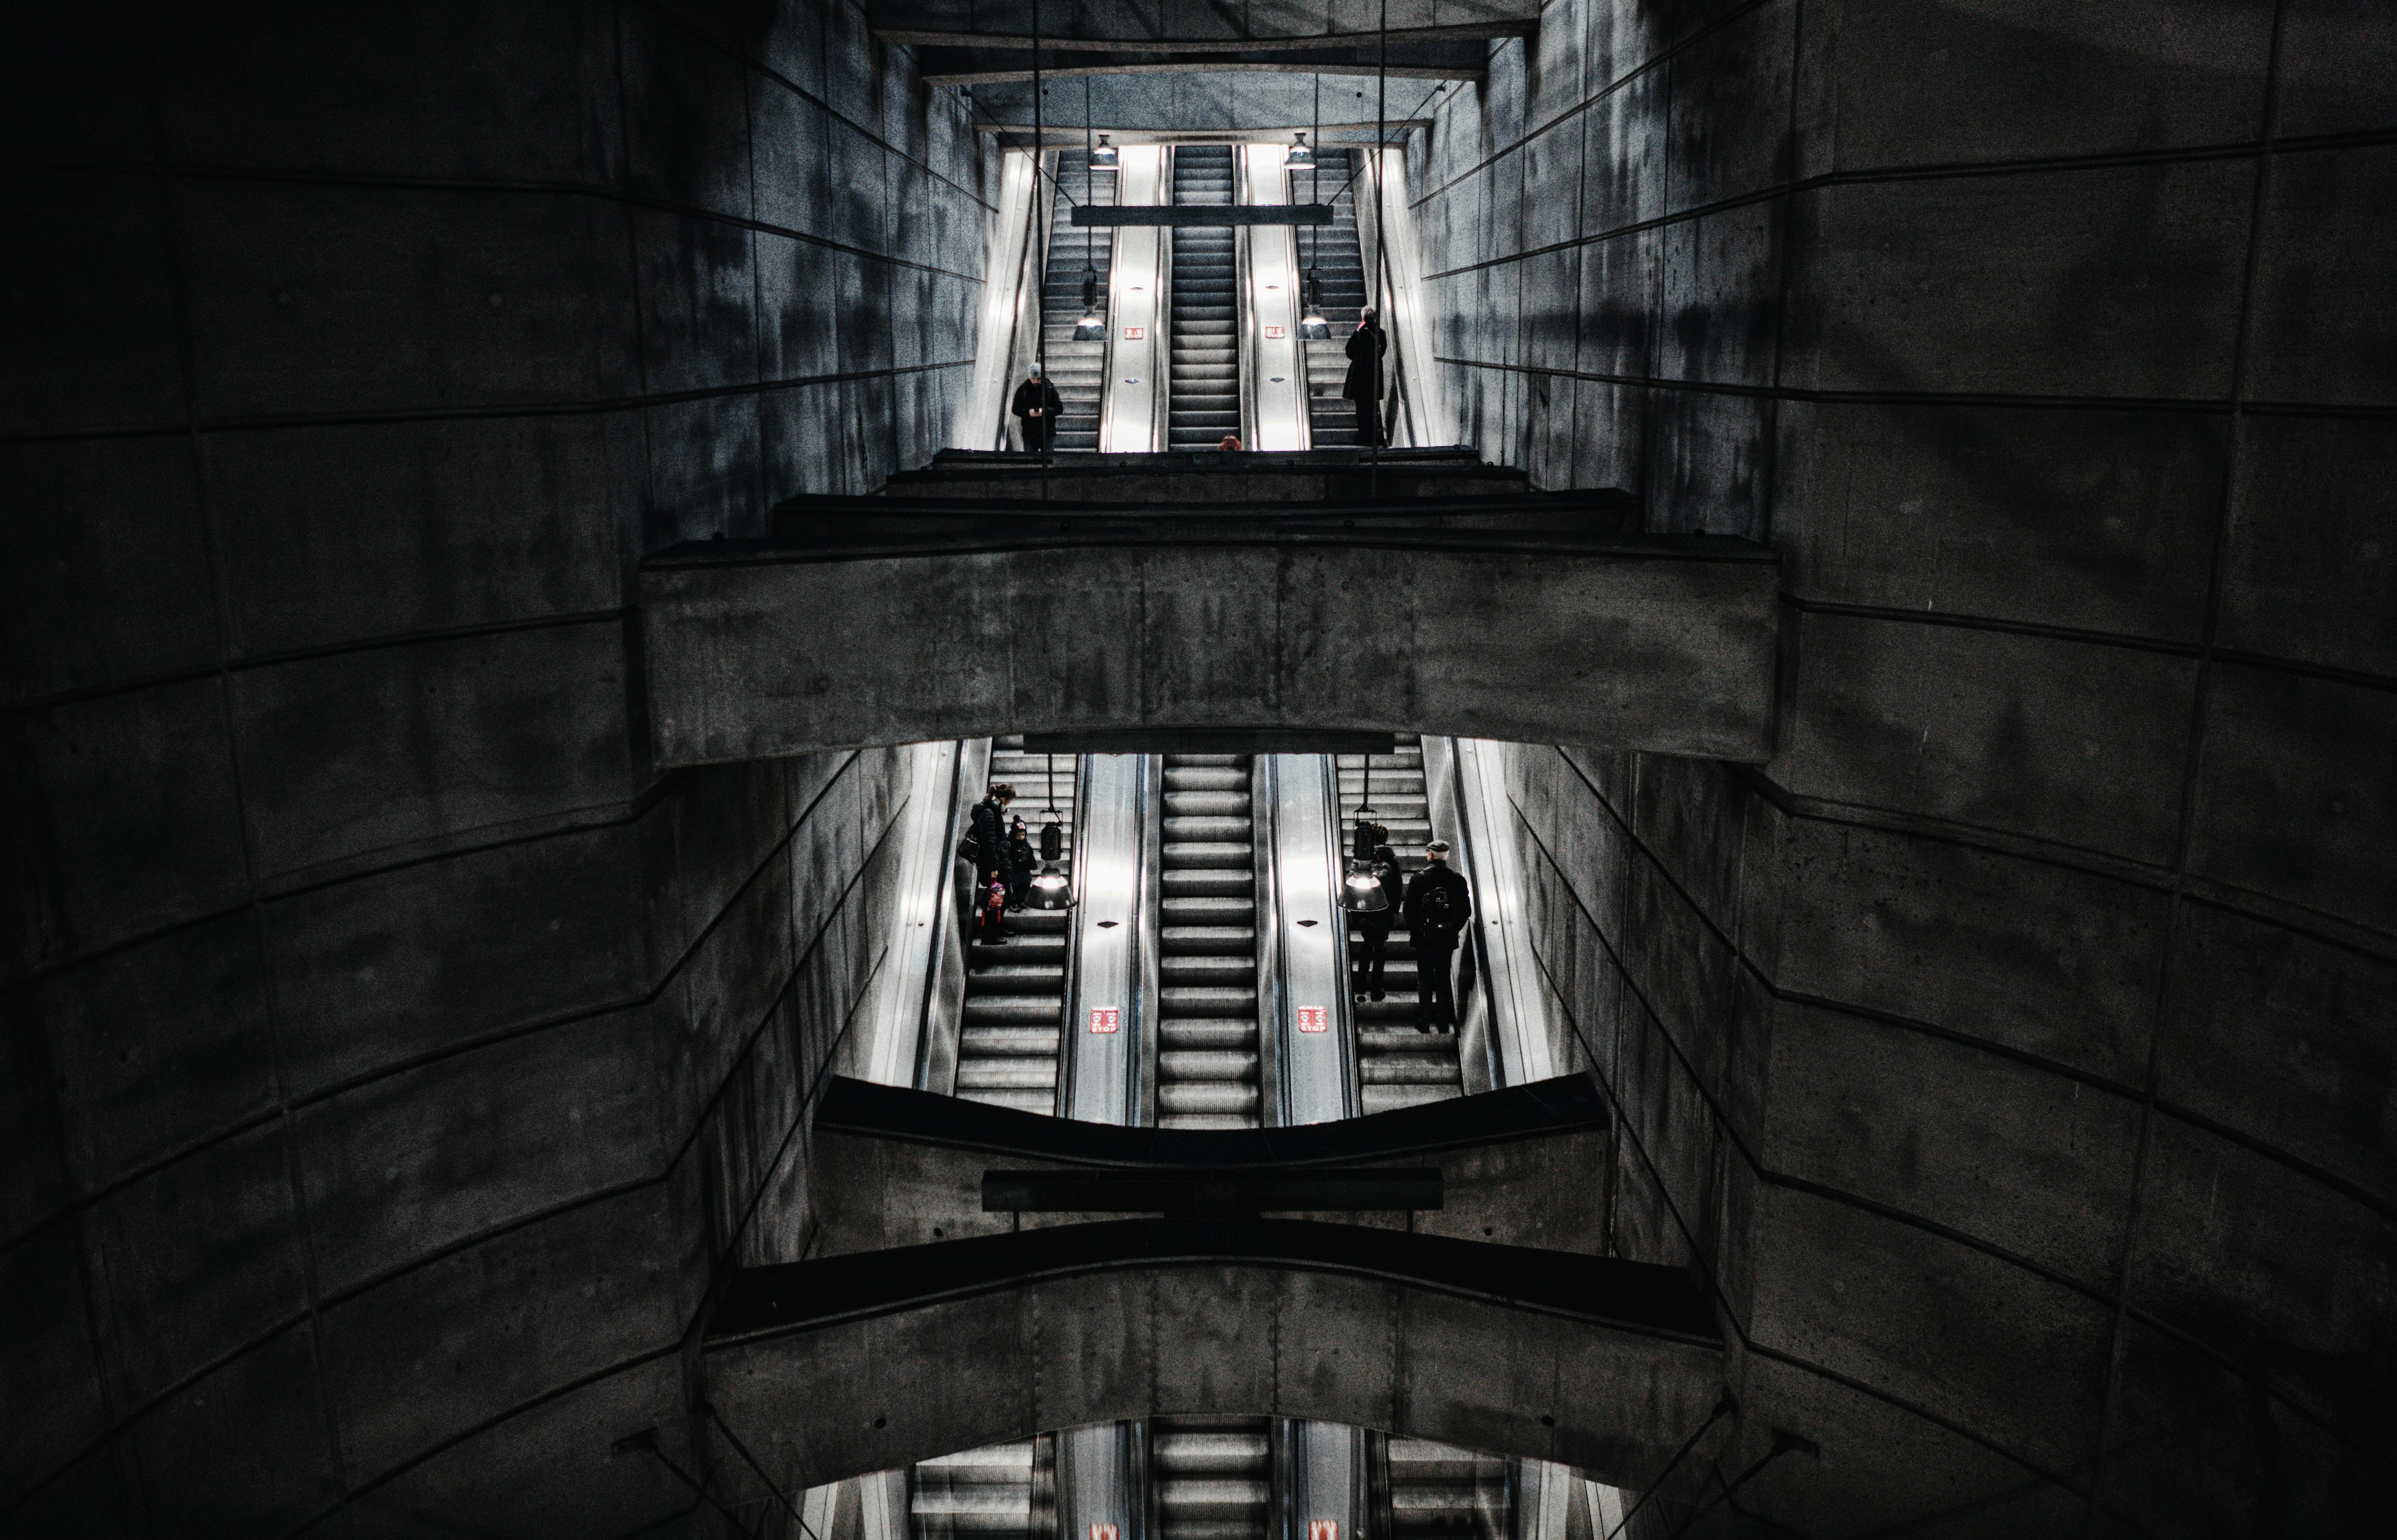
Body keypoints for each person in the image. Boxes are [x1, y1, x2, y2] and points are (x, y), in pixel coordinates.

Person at [1403, 839, 1471, 1031]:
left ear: (1430, 855)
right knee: (1443, 977)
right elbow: (1466, 911)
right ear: (1447, 856)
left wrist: (1419, 931)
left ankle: (1425, 1020)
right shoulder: (1458, 880)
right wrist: (1452, 930)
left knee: (1425, 978)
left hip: (1424, 940)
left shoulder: (1418, 879)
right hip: (1446, 941)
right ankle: (1443, 1022)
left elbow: (1408, 911)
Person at [1351, 843, 1405, 1002]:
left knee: (1366, 946)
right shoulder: (1388, 868)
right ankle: (1376, 988)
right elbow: (1396, 891)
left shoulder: (1360, 869)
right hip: (1383, 915)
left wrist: (1355, 915)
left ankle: (1361, 985)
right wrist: (1394, 912)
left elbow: (1353, 890)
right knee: (1380, 949)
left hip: (1366, 914)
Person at [1343, 307, 1388, 447]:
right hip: (1374, 375)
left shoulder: (1360, 333)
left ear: (1363, 318)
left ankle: (1364, 437)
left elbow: (1350, 352)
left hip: (1359, 375)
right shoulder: (1380, 333)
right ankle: (1372, 437)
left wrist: (1357, 332)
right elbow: (1383, 351)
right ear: (1374, 318)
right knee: (1371, 408)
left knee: (1361, 408)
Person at [1011, 369, 1063, 451]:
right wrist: (1028, 413)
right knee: (1031, 460)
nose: (1035, 381)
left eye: (1038, 379)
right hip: (1030, 433)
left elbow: (1059, 408)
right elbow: (1015, 409)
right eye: (1033, 379)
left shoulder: (1050, 389)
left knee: (1047, 459)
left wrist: (1044, 412)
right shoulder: (1023, 389)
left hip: (1047, 433)